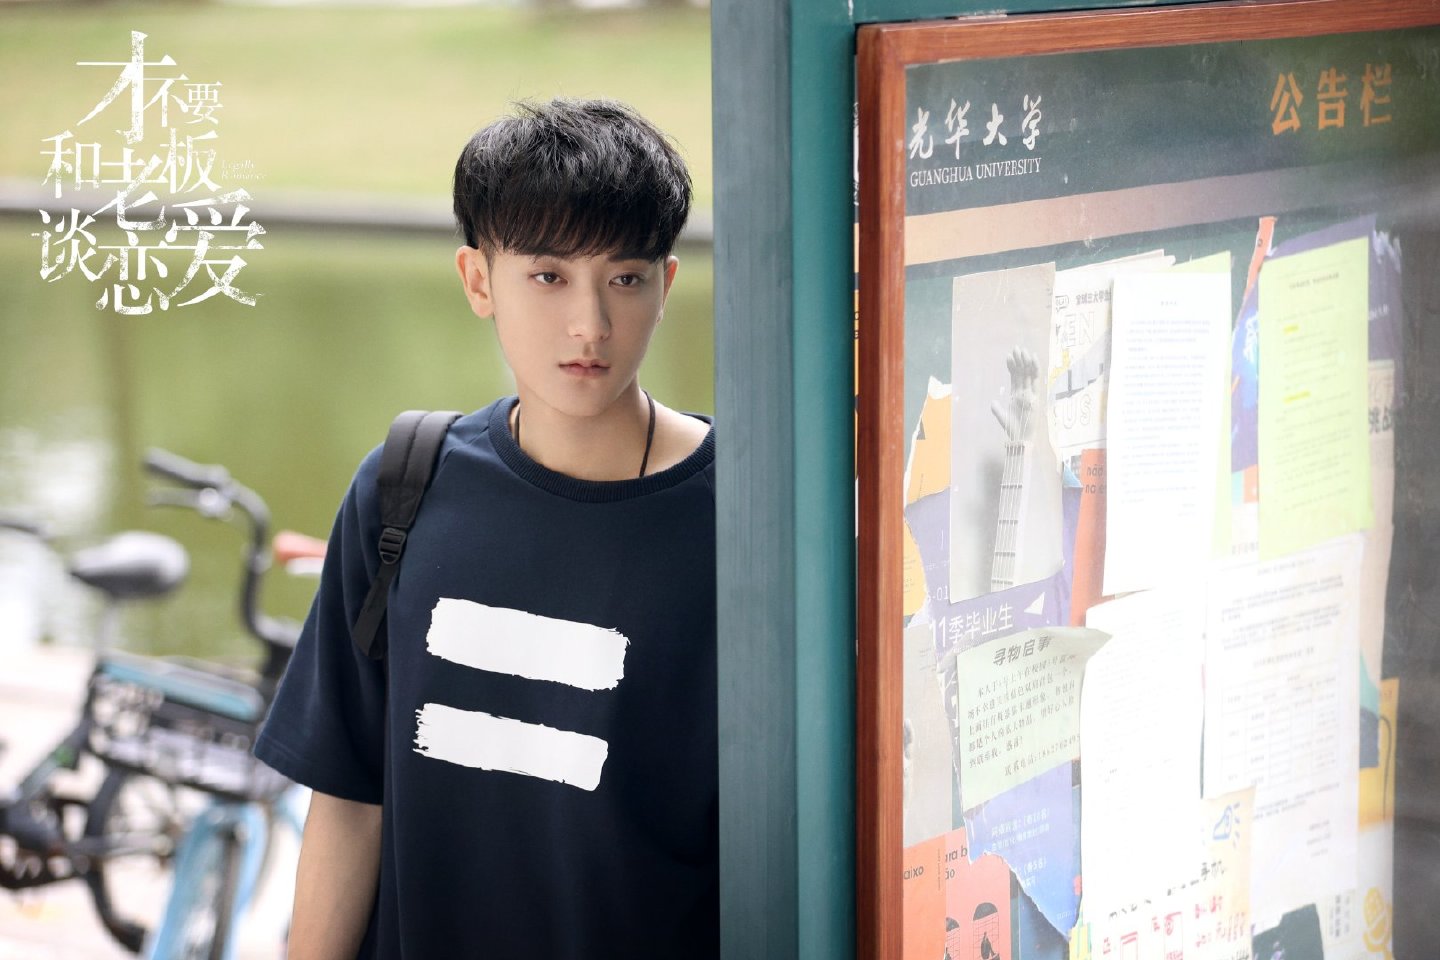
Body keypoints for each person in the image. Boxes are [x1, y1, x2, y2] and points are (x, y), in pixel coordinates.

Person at [253, 97, 717, 959]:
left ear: (666, 284)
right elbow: (349, 801)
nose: (590, 325)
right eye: (548, 276)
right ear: (478, 281)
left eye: (625, 278)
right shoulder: (405, 488)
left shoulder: (740, 520)